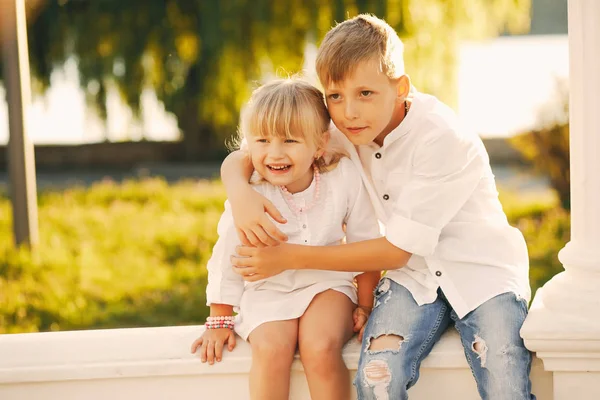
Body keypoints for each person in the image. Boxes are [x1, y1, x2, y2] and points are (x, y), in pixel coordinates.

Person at [221, 14, 535, 400]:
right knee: (376, 376)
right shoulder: (346, 129)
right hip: (415, 280)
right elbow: (255, 152)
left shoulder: (441, 138)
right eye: (335, 96)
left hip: (480, 273)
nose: (349, 111)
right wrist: (239, 191)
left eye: (365, 93)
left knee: (503, 373)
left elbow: (396, 250)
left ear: (399, 87)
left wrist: (288, 257)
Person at [190, 78, 382, 400]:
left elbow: (366, 241)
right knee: (271, 348)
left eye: (290, 141)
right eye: (262, 140)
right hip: (268, 290)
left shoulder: (342, 177)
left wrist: (366, 304)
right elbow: (228, 257)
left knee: (319, 346)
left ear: (319, 145)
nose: (274, 154)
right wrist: (220, 317)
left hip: (327, 284)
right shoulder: (250, 192)